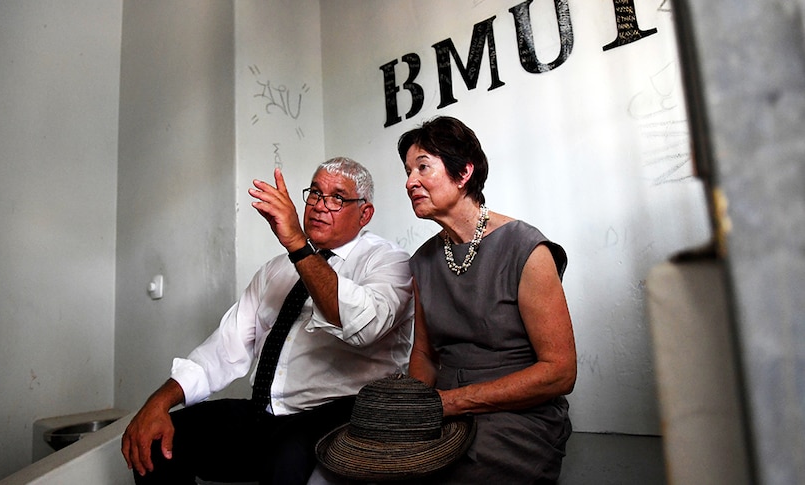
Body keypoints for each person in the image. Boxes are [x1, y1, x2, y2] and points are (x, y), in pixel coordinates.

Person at [121, 157, 414, 485]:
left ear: (365, 213)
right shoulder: (277, 270)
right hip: (268, 413)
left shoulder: (388, 261)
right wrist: (158, 403)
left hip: (342, 414)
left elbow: (361, 326)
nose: (319, 206)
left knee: (284, 461)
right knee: (161, 443)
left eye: (337, 198)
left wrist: (298, 246)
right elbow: (224, 348)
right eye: (315, 194)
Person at [399, 116, 577, 483]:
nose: (409, 182)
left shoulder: (527, 249)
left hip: (518, 416)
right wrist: (413, 415)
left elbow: (560, 372)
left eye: (422, 167)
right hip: (444, 411)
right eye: (407, 171)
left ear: (464, 173)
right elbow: (425, 355)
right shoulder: (422, 261)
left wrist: (452, 402)